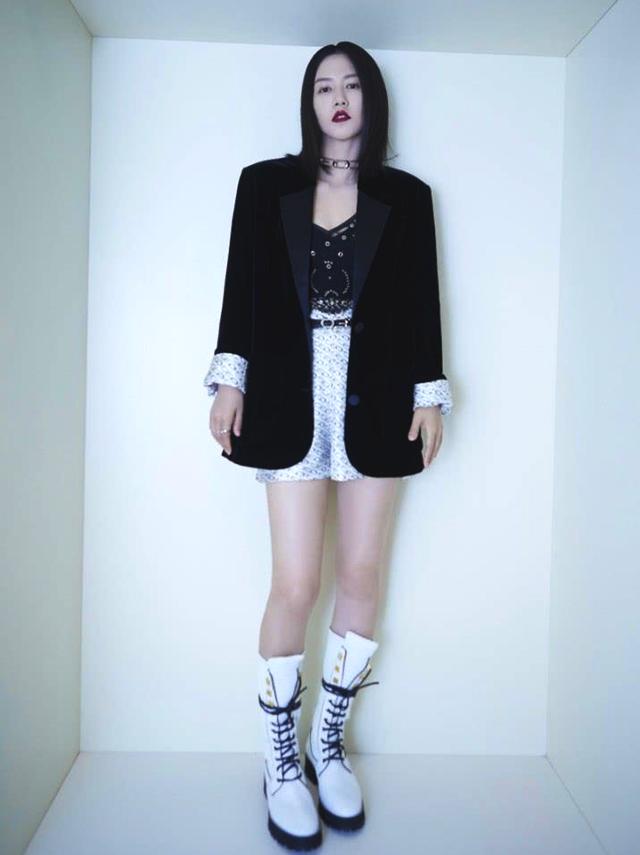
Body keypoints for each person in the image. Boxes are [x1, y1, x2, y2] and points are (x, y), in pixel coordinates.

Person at [203, 41, 453, 851]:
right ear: (309, 103)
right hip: (288, 393)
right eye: (322, 87)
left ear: (371, 98)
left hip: (376, 395)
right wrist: (230, 381)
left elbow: (422, 303)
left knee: (361, 574)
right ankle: (280, 764)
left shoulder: (407, 197)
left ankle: (327, 743)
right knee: (296, 580)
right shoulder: (264, 185)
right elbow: (240, 288)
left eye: (350, 85)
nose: (337, 97)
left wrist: (429, 395)